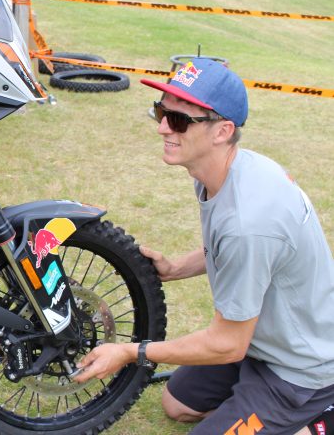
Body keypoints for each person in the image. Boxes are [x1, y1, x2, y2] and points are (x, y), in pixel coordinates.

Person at [72, 58, 334, 434]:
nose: (162, 127)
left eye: (178, 120)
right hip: (259, 343)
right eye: (161, 111)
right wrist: (177, 268)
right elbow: (238, 251)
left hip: (300, 369)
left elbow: (227, 344)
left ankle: (321, 416)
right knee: (176, 404)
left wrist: (131, 352)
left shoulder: (250, 222)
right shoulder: (223, 172)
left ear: (222, 131)